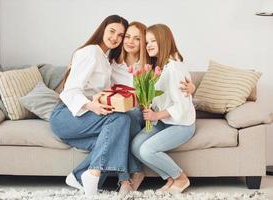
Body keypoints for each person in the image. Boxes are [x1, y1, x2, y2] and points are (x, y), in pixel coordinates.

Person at [108, 22, 196, 195]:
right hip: (163, 120)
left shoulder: (174, 68)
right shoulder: (157, 67)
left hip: (181, 124)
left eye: (153, 41)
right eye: (147, 42)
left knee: (147, 150)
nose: (149, 45)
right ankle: (170, 178)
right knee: (135, 146)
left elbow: (182, 106)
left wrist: (156, 115)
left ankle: (180, 177)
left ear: (164, 41)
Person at [49, 15, 131, 196]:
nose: (115, 38)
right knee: (121, 119)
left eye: (120, 35)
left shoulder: (105, 59)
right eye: (112, 31)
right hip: (66, 116)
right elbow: (70, 91)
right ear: (103, 29)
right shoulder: (91, 52)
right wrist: (91, 106)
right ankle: (91, 176)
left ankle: (78, 177)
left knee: (116, 141)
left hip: (83, 119)